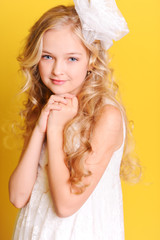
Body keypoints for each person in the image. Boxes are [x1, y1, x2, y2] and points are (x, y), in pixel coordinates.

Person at [9, 1, 141, 239]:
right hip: (35, 230)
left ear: (91, 60)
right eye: (48, 56)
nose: (58, 70)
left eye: (72, 59)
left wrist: (56, 129)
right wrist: (40, 128)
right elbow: (18, 197)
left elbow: (65, 206)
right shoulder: (46, 105)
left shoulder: (106, 115)